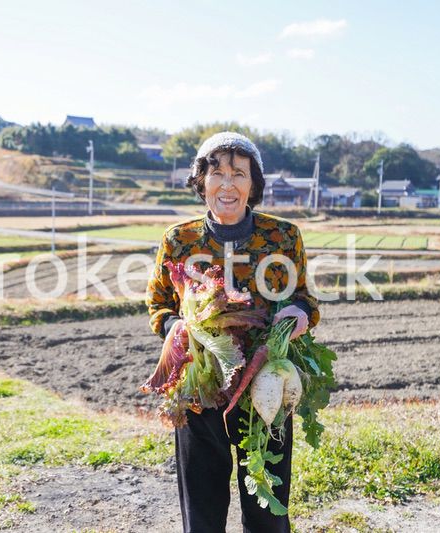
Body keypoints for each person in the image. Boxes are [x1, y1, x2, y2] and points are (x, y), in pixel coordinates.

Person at [146, 131, 320, 533]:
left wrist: (297, 315)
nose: (227, 184)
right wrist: (177, 328)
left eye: (239, 174)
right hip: (200, 384)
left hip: (266, 387)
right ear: (201, 182)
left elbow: (307, 300)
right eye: (217, 173)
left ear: (253, 184)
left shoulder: (283, 237)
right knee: (202, 511)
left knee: (267, 510)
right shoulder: (179, 240)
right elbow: (159, 305)